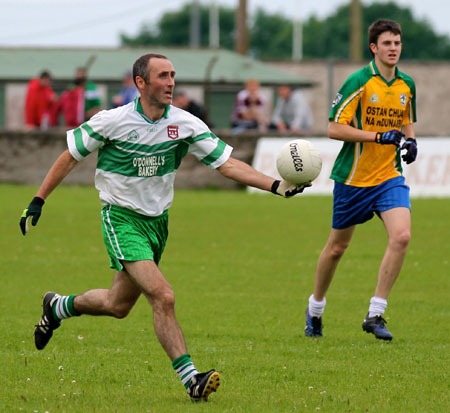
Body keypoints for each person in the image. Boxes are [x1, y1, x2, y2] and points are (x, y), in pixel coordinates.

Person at [20, 53, 309, 402]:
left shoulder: (185, 124)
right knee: (163, 295)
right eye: (162, 76)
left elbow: (227, 164)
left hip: (157, 224)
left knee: (117, 305)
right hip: (120, 219)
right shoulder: (111, 121)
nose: (171, 82)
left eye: (172, 75)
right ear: (140, 83)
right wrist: (39, 199)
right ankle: (192, 380)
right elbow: (70, 155)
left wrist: (275, 185)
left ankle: (57, 307)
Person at [304, 19, 418, 341]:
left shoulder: (406, 84)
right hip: (353, 179)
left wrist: (410, 142)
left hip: (388, 176)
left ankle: (375, 313)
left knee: (402, 236)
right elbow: (333, 128)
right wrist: (377, 136)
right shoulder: (358, 81)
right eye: (387, 43)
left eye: (397, 43)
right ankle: (315, 309)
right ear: (374, 48)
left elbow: (407, 121)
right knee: (337, 249)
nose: (393, 48)